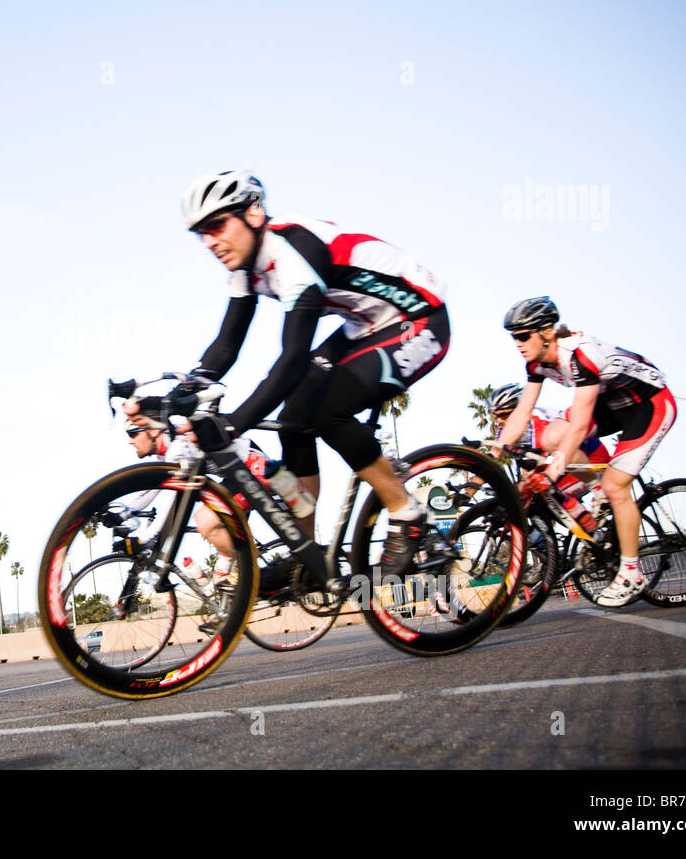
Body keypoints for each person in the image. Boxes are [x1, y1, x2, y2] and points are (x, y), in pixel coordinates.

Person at [130, 170, 451, 579]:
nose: (209, 241)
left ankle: (407, 513)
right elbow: (227, 345)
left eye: (217, 226)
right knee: (293, 417)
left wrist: (233, 423)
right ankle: (307, 551)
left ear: (254, 212)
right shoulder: (245, 266)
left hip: (420, 319)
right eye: (201, 233)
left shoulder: (295, 251)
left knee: (325, 411)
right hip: (366, 324)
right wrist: (189, 388)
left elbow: (294, 355)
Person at [495, 297, 676, 607]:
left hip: (648, 405)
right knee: (552, 433)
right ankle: (599, 496)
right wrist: (492, 454)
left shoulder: (580, 355)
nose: (518, 343)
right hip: (612, 405)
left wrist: (555, 469)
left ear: (547, 331)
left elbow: (579, 426)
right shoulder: (536, 362)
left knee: (615, 486)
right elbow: (523, 412)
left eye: (524, 336)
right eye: (514, 337)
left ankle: (631, 572)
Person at [121, 396, 306, 593]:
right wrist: (124, 512)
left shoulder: (178, 447)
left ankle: (261, 578)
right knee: (220, 569)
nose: (130, 441)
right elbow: (153, 488)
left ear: (153, 430)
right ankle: (248, 587)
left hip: (252, 468)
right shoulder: (165, 451)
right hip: (234, 477)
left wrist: (146, 539)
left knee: (206, 521)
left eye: (133, 433)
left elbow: (174, 497)